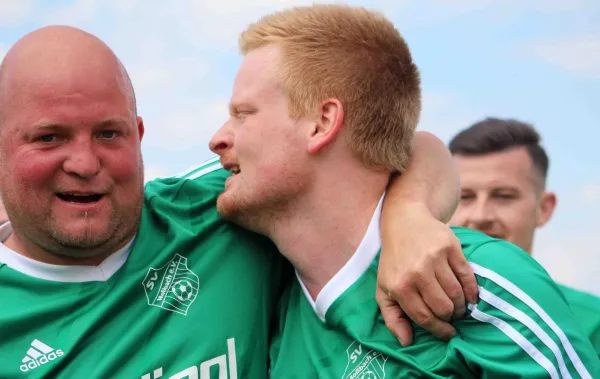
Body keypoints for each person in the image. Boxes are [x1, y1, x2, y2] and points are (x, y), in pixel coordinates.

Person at [0, 26, 467, 378]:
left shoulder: (218, 207)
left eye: (108, 133)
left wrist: (409, 215)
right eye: (48, 138)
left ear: (139, 137)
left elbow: (410, 147)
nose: (84, 162)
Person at [208, 4, 600, 377]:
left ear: (321, 123)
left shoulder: (477, 283)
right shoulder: (266, 294)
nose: (217, 139)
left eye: (243, 115)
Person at [448, 117, 600, 357]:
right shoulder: (401, 314)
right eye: (465, 197)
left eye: (504, 196)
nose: (480, 216)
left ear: (544, 208)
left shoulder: (593, 325)